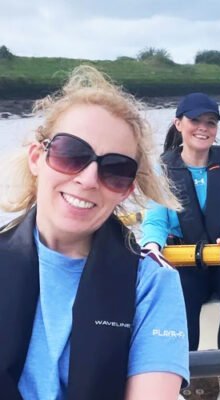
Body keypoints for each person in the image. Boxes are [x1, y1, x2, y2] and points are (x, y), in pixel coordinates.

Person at [0, 65, 189, 400]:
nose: (88, 179)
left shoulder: (152, 284)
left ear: (127, 190)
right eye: (71, 154)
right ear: (37, 158)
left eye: (115, 170)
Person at [141, 92, 220, 354]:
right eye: (195, 120)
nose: (203, 128)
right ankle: (186, 371)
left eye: (210, 122)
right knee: (182, 293)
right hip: (188, 260)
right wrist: (152, 245)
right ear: (179, 124)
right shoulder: (161, 171)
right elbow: (156, 220)